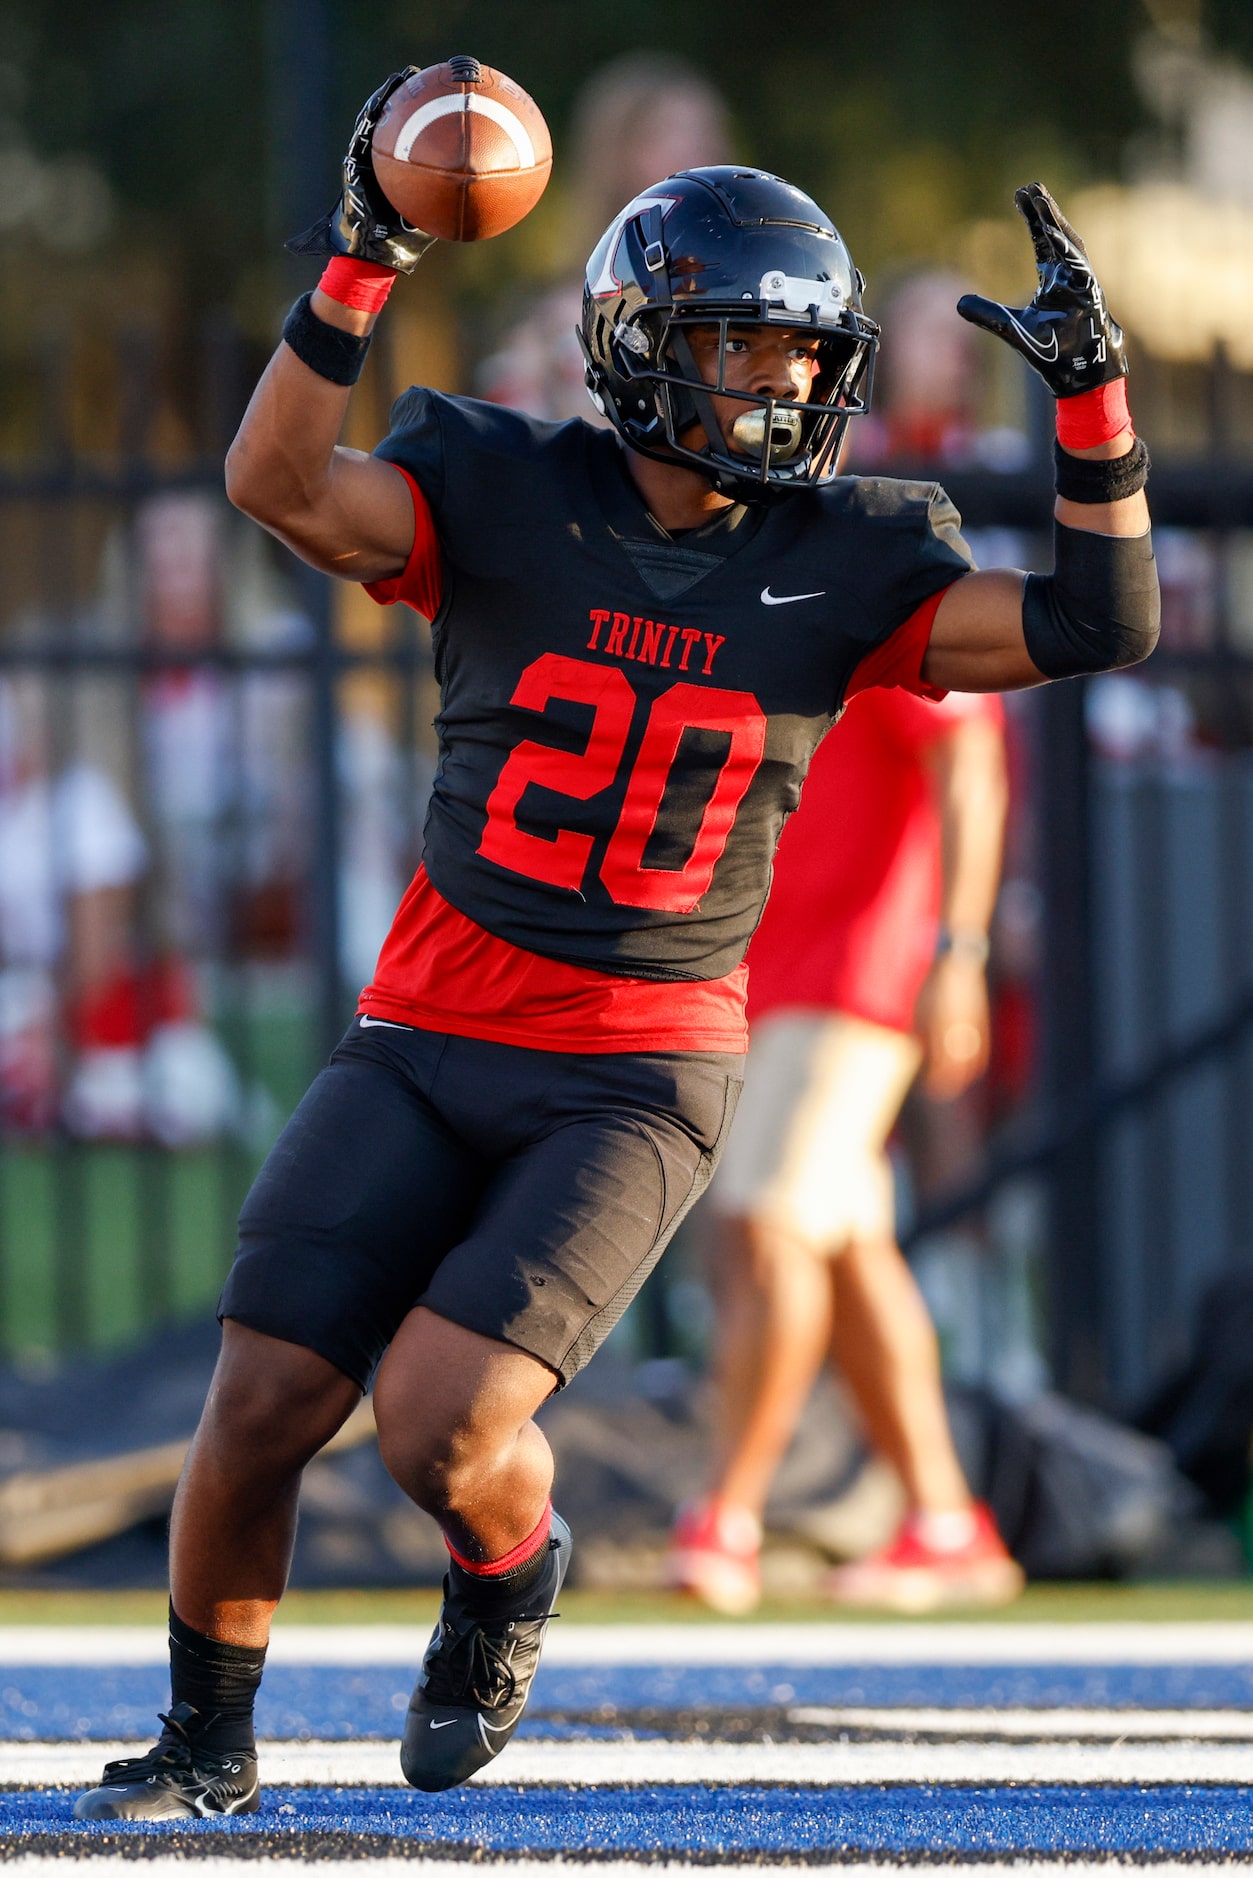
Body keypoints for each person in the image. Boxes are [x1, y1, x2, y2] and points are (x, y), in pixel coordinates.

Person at [72, 61, 1158, 1821]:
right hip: (426, 1026)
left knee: (434, 1421)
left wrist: (1094, 410)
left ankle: (507, 1568)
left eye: (806, 351)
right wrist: (358, 260)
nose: (786, 381)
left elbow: (1096, 623)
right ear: (648, 339)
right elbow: (273, 478)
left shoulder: (850, 555)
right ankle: (205, 1737)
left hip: (631, 1071)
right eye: (746, 344)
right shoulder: (500, 486)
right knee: (265, 1383)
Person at [669, 684, 1020, 1614]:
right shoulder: (784, 560)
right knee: (847, 1249)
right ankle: (945, 1524)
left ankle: (726, 1516)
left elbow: (970, 759)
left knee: (768, 1227)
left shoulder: (897, 554)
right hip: (770, 966)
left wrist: (960, 953)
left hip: (859, 970)